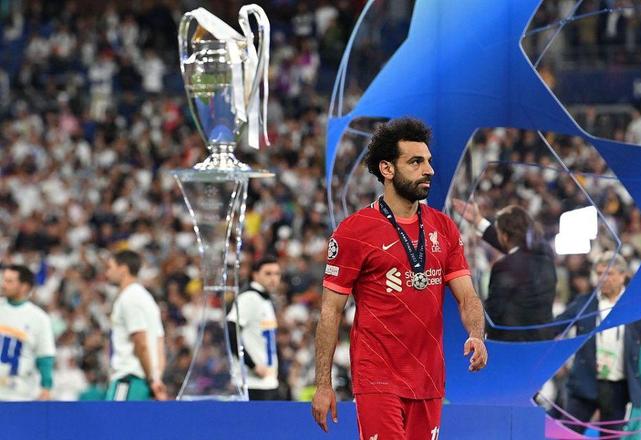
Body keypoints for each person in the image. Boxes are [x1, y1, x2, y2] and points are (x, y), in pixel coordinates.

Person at [312, 117, 487, 439]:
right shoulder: (354, 231)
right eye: (415, 162)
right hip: (377, 377)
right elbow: (330, 310)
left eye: (428, 161)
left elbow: (467, 297)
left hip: (429, 378)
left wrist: (476, 334)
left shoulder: (444, 228)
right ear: (387, 169)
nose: (428, 170)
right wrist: (323, 383)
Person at [555, 252, 641, 437]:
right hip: (584, 383)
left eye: (609, 273)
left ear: (623, 275)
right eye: (599, 273)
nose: (603, 278)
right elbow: (556, 326)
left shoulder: (635, 308)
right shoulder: (585, 303)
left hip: (617, 389)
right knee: (566, 435)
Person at [451, 200, 557, 341]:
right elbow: (517, 246)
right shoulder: (545, 255)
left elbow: (493, 313)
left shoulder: (503, 267)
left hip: (510, 346)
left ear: (505, 237)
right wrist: (478, 221)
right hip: (543, 343)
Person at [105, 250, 166, 400]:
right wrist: (156, 378)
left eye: (110, 267)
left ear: (123, 269)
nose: (107, 273)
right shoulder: (147, 299)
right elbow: (159, 342)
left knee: (115, 416)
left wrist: (152, 379)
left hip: (128, 380)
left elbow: (140, 341)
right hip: (145, 383)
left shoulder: (129, 298)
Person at [227, 255, 282, 400]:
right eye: (268, 273)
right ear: (255, 275)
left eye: (277, 274)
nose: (273, 278)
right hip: (251, 382)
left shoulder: (265, 300)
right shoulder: (249, 298)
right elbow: (231, 331)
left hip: (268, 381)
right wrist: (252, 365)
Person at [0, 264, 55, 401]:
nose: (4, 285)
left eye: (9, 281)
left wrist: (46, 386)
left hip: (18, 394)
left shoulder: (39, 318)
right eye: (4, 280)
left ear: (24, 286)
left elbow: (45, 356)